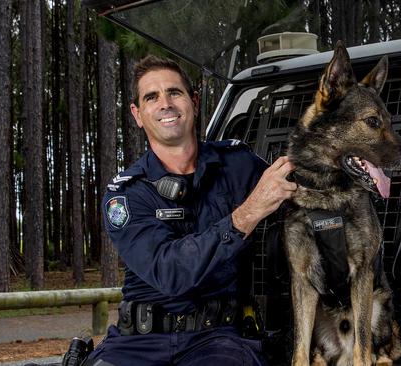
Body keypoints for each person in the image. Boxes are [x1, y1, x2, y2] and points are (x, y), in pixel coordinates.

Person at [83, 56, 296, 366]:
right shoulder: (126, 194)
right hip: (137, 344)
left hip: (218, 340)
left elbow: (303, 187)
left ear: (194, 102)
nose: (165, 103)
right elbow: (171, 272)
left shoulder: (238, 164)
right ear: (138, 114)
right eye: (151, 97)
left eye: (174, 92)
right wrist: (246, 214)